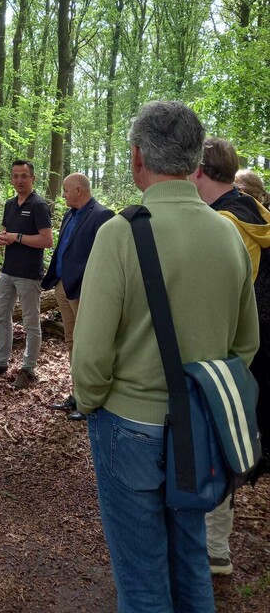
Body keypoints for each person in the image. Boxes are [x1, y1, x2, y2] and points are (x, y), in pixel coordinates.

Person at [72, 102, 259, 613]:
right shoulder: (229, 235)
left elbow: (90, 355)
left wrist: (91, 403)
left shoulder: (119, 234)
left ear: (136, 159)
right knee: (192, 561)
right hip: (200, 430)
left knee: (142, 579)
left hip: (129, 425)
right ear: (195, 160)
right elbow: (246, 345)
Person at [190, 137, 270, 575]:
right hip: (252, 350)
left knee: (216, 441)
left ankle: (213, 546)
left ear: (198, 170)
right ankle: (214, 543)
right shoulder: (255, 212)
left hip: (232, 351)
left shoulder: (225, 223)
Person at [0, 160, 53, 390]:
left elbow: (47, 240)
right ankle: (0, 362)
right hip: (7, 272)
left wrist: (17, 237)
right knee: (1, 316)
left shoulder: (39, 206)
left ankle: (28, 369)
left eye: (24, 176)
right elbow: (7, 232)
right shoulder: (10, 204)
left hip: (28, 274)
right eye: (15, 176)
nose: (19, 180)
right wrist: (2, 237)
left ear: (33, 178)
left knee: (31, 323)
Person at [42, 173, 114, 421]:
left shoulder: (102, 215)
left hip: (84, 289)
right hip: (63, 286)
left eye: (65, 190)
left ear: (79, 191)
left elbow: (104, 258)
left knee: (87, 344)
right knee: (71, 340)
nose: (63, 195)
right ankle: (76, 393)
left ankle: (89, 399)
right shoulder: (69, 215)